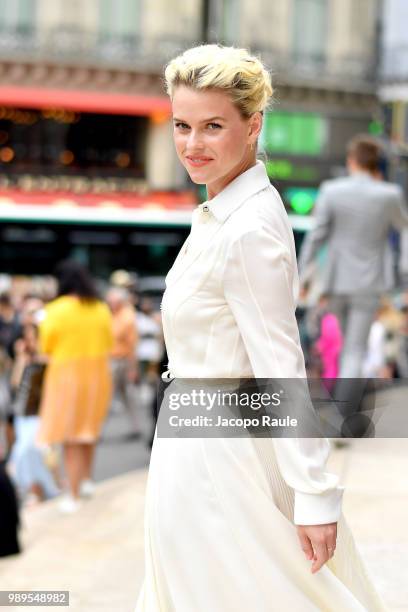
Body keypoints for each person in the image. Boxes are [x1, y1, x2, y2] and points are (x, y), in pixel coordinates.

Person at [135, 45, 386, 611]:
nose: (192, 145)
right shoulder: (224, 213)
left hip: (217, 460)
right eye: (181, 125)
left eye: (212, 126)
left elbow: (281, 365)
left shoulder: (246, 228)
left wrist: (315, 495)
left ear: (253, 126)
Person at [298, 134, 408, 379]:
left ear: (352, 161)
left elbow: (317, 237)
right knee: (354, 349)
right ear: (375, 164)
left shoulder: (331, 190)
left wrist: (302, 275)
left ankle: (345, 408)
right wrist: (404, 271)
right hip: (369, 283)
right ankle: (348, 410)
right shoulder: (388, 194)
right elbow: (405, 228)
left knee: (348, 345)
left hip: (336, 282)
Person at [36, 261, 113, 513]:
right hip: (98, 373)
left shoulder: (55, 309)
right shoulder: (101, 308)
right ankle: (87, 480)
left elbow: (46, 345)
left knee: (69, 435)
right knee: (89, 428)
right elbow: (108, 342)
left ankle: (73, 494)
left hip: (66, 374)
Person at [106, 286, 140, 438]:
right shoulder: (112, 315)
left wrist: (133, 368)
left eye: (112, 301)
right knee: (113, 395)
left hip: (122, 361)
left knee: (123, 395)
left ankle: (135, 427)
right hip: (112, 359)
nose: (110, 304)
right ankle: (134, 427)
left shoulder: (127, 316)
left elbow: (132, 345)